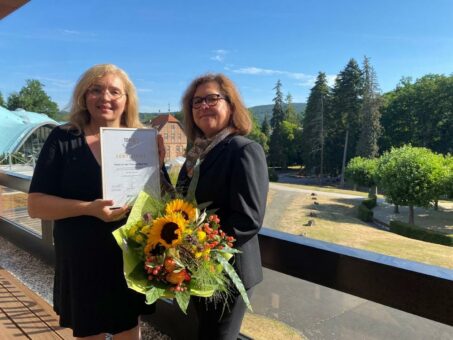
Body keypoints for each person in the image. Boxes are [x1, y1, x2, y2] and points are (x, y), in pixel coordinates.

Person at [28, 64, 156, 339]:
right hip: (81, 257)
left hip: (128, 255)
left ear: (126, 100)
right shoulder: (63, 138)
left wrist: (160, 163)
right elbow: (35, 205)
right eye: (95, 90)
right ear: (84, 96)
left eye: (114, 91)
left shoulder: (140, 141)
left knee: (128, 329)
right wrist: (88, 209)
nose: (105, 97)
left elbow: (156, 201)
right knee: (89, 332)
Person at [176, 73, 269, 340]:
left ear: (230, 104)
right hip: (198, 268)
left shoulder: (243, 150)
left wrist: (197, 248)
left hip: (229, 273)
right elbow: (180, 203)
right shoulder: (196, 155)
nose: (203, 105)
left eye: (212, 98)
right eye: (196, 102)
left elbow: (248, 219)